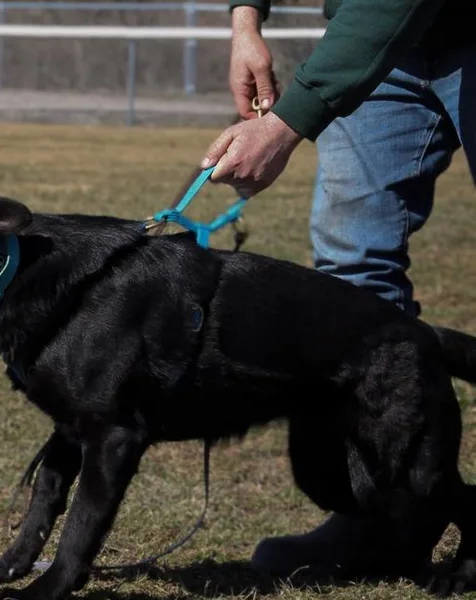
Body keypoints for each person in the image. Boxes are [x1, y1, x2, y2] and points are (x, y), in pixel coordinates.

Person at [201, 0, 474, 578]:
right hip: (389, 52)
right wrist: (245, 21)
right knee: (352, 281)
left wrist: (285, 124)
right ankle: (383, 514)